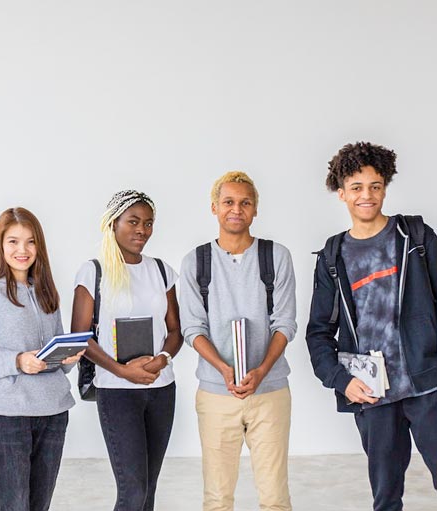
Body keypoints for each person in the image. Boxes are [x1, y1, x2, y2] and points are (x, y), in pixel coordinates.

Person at [306, 142, 437, 510]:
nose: (367, 195)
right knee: (386, 497)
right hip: (374, 394)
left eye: (375, 186)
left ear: (385, 187)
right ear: (341, 193)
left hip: (428, 385)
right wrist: (342, 380)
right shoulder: (334, 256)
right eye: (357, 188)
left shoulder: (415, 237)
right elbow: (318, 332)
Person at [179, 171, 297, 511]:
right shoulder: (195, 262)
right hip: (216, 393)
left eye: (245, 202)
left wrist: (260, 370)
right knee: (217, 497)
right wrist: (223, 369)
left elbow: (285, 323)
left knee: (275, 497)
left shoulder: (276, 257)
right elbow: (193, 328)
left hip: (270, 391)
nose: (236, 209)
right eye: (228, 202)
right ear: (214, 208)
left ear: (255, 209)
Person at [0, 207, 84, 511]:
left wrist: (69, 359)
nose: (22, 250)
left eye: (30, 242)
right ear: (0, 246)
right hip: (8, 416)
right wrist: (17, 361)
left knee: (39, 505)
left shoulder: (47, 293)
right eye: (13, 241)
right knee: (12, 506)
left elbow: (53, 356)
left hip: (54, 412)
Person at [70, 190, 182, 511]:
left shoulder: (161, 270)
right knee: (132, 492)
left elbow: (175, 330)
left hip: (161, 389)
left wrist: (162, 360)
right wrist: (121, 370)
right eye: (133, 221)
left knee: (147, 490)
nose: (141, 230)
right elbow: (80, 336)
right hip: (117, 392)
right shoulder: (94, 272)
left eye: (148, 223)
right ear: (113, 223)